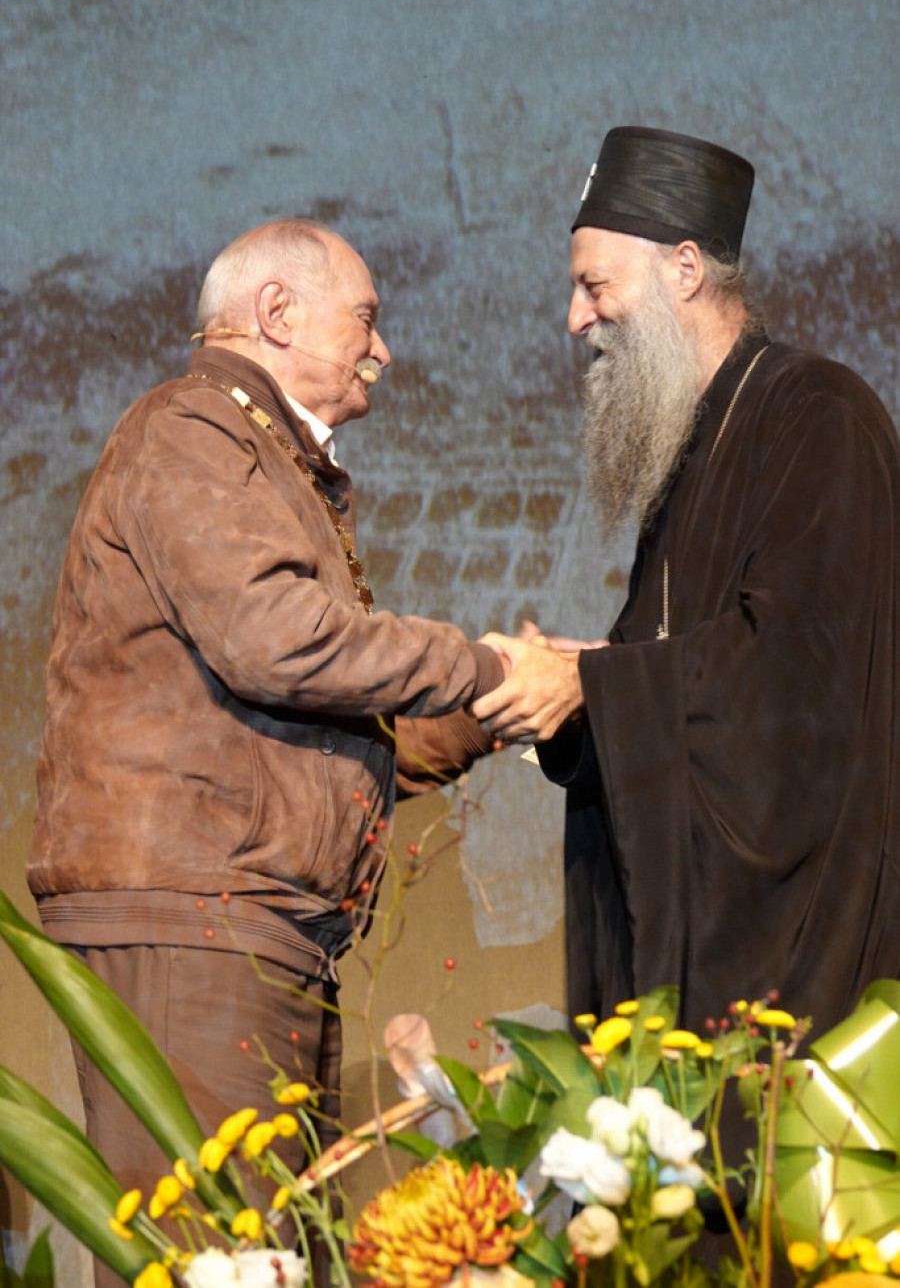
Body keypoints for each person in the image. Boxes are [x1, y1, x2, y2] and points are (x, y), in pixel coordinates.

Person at [28, 219, 503, 1283]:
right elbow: (276, 641)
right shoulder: (193, 429)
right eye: (366, 319)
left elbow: (322, 737)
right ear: (276, 313)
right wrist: (479, 666)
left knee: (264, 1260)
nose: (383, 351)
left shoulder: (258, 455)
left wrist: (501, 705)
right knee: (217, 1258)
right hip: (194, 918)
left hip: (247, 920)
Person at [474, 126, 899, 1044]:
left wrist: (592, 684)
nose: (575, 319)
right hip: (697, 955)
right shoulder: (691, 441)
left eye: (595, 287)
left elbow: (795, 676)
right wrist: (583, 682)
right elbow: (677, 665)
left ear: (686, 268)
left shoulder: (820, 415)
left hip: (800, 958)